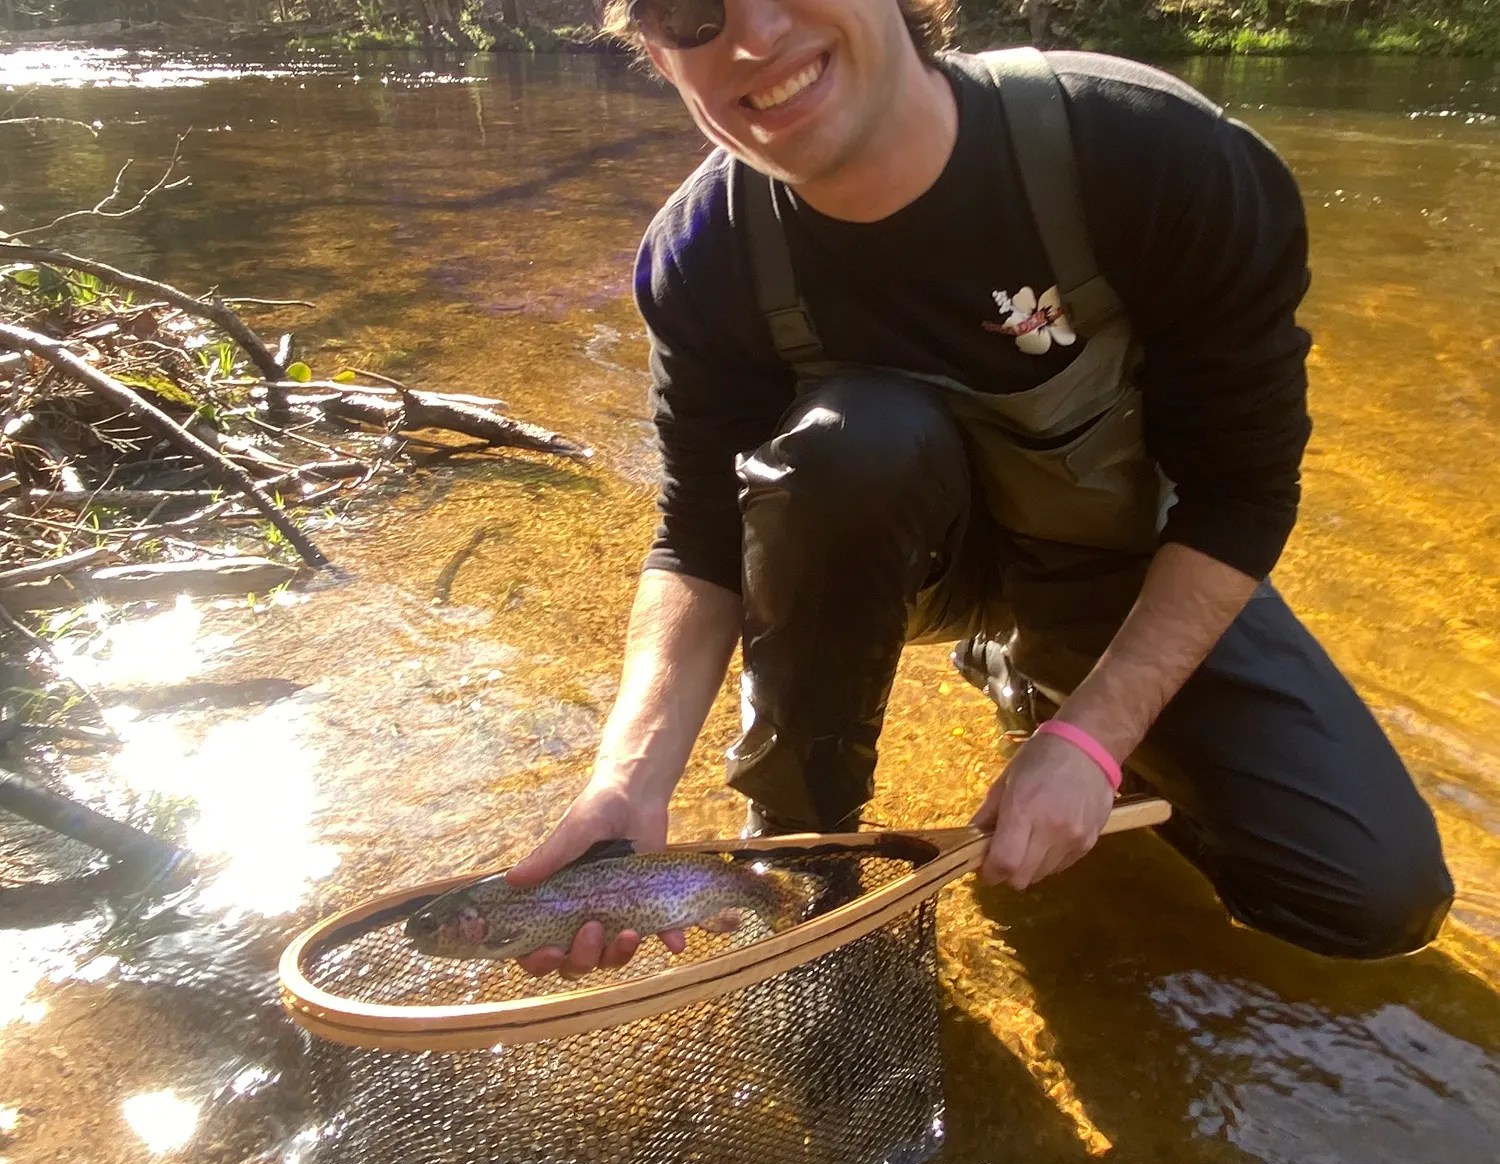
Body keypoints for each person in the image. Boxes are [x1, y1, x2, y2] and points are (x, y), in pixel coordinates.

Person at [505, 0, 1453, 979]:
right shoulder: (704, 254)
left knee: (1373, 898)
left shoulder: (1152, 155)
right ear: (660, 58)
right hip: (910, 573)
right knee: (854, 443)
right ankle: (802, 866)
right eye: (692, 12)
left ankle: (1040, 680)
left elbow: (1242, 494)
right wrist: (626, 782)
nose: (750, 33)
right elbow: (701, 540)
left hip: (1115, 568)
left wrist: (1094, 738)